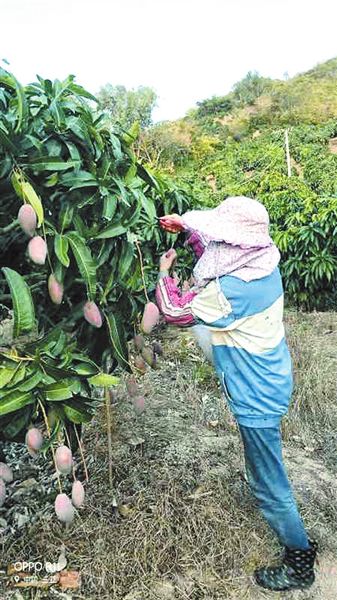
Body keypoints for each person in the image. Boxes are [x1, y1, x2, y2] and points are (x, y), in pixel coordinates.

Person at [156, 196, 318, 592]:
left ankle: (299, 560)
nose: (218, 244)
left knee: (269, 482)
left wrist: (164, 274)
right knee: (264, 465)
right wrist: (190, 230)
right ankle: (281, 515)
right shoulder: (264, 261)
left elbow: (175, 313)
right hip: (270, 375)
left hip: (256, 397)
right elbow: (218, 253)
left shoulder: (233, 291)